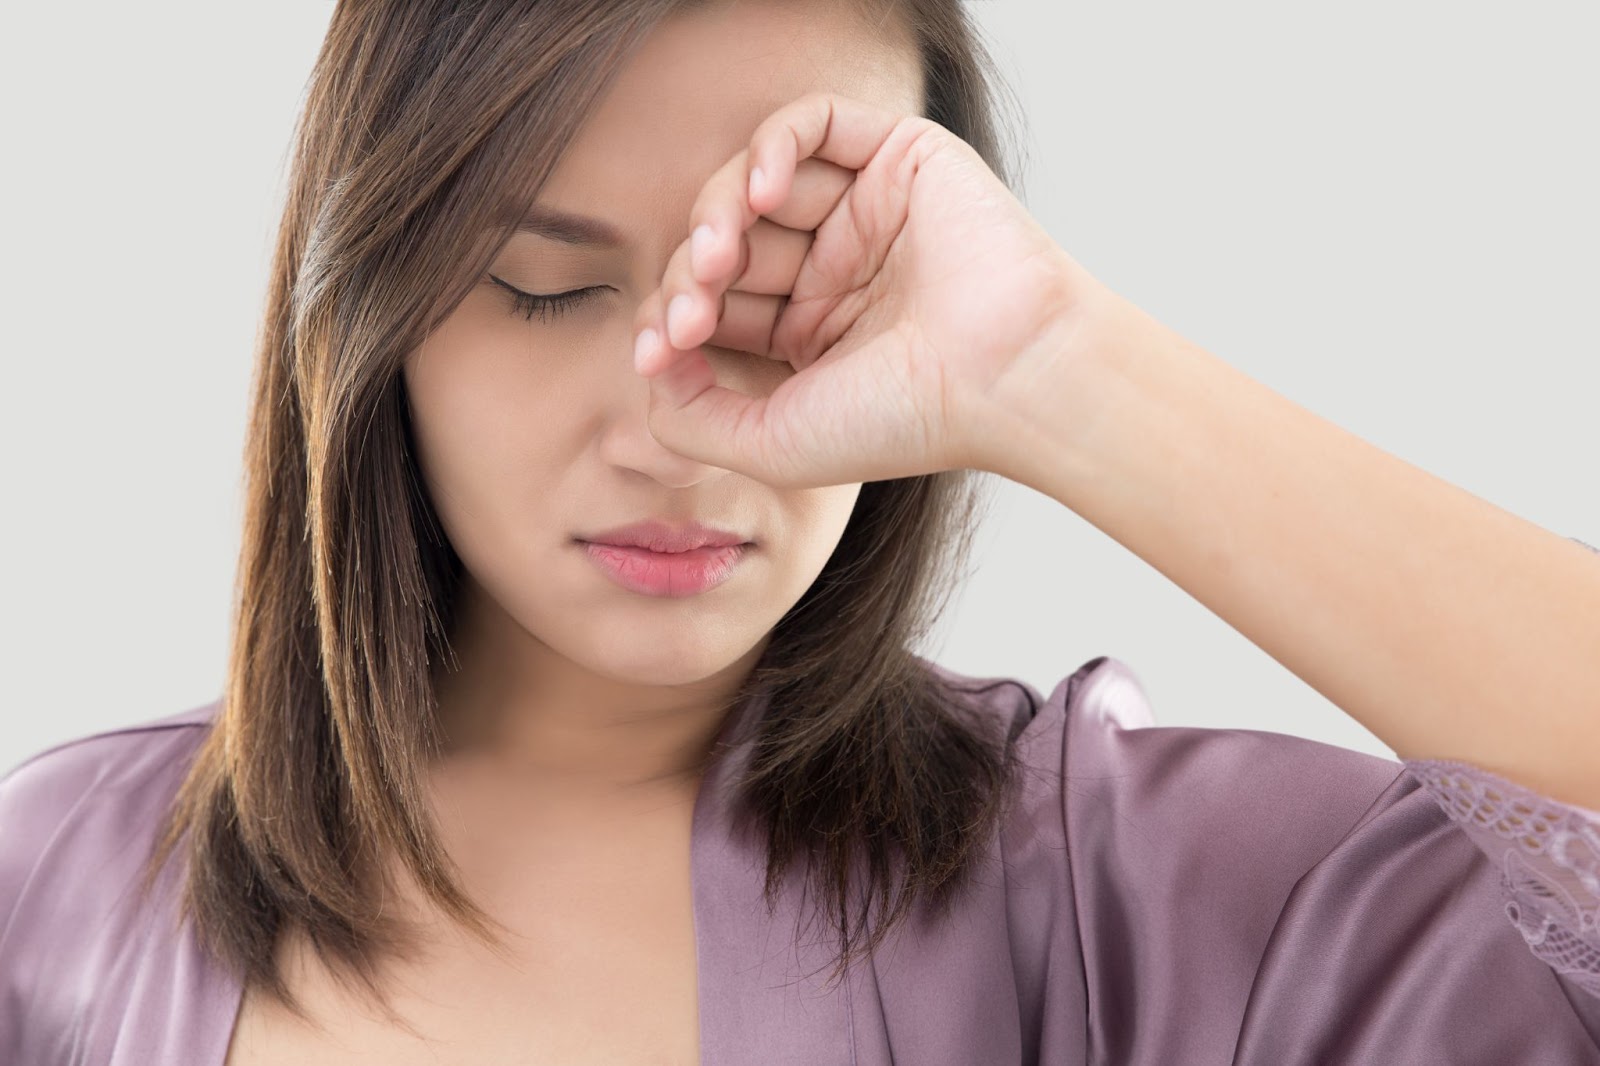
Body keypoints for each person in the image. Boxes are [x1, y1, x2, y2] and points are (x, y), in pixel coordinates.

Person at [2, 0, 1597, 1062]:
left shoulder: (1118, 890)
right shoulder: (50, 892)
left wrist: (1060, 369)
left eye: (782, 285)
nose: (673, 417)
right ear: (374, 317)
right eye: (544, 285)